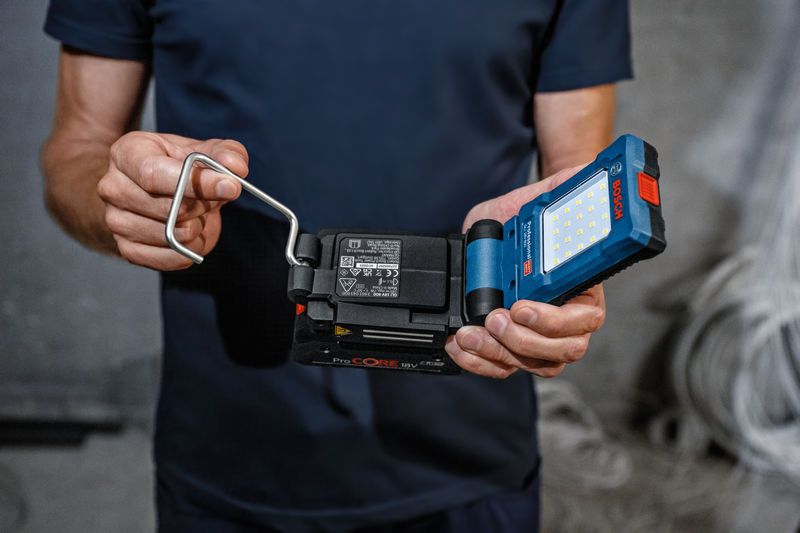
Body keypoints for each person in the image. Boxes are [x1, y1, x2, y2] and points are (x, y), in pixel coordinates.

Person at [41, 1, 630, 531]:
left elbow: (577, 181)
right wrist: (122, 200)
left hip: (467, 440)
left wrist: (571, 280)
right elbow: (77, 150)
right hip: (235, 446)